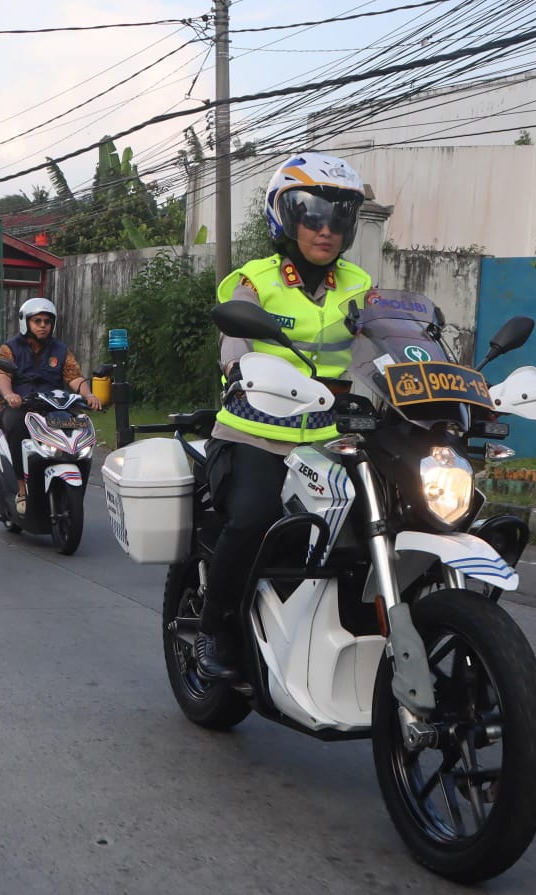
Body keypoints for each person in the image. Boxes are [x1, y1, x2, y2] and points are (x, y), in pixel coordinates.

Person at [193, 152, 373, 679]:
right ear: (286, 218)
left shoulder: (360, 285)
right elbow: (235, 338)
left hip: (330, 437)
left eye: (338, 217)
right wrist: (237, 371)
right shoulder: (255, 280)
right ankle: (214, 627)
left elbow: (381, 345)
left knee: (384, 515)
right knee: (252, 519)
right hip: (256, 431)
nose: (326, 229)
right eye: (312, 215)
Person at [0, 297, 101, 512]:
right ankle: (22, 489)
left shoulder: (60, 350)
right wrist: (10, 394)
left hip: (54, 406)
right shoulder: (10, 348)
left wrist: (89, 395)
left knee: (79, 425)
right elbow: (3, 375)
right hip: (21, 406)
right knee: (16, 427)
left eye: (47, 321)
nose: (43, 325)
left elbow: (74, 377)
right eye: (37, 321)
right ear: (26, 322)